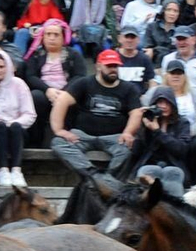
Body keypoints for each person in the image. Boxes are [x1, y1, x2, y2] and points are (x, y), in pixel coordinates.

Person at [51, 48, 141, 181]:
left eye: (116, 66)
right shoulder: (84, 83)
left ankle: (108, 180)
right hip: (82, 136)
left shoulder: (129, 88)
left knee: (130, 147)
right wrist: (59, 130)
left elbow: (136, 113)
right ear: (98, 66)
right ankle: (94, 175)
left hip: (114, 138)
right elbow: (61, 102)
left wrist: (128, 132)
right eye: (109, 66)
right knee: (58, 143)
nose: (113, 69)